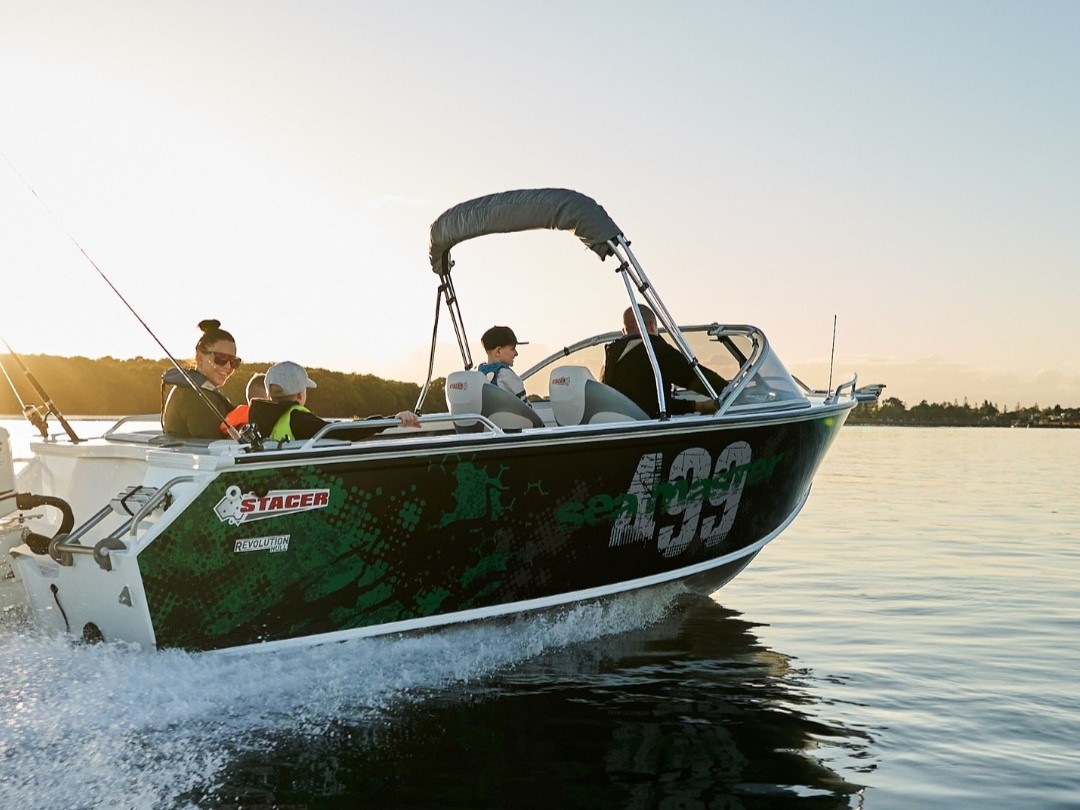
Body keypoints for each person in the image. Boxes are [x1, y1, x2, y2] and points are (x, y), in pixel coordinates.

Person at [601, 305, 728, 418]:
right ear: (652, 326)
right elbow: (697, 378)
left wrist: (699, 406)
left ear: (624, 331)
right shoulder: (656, 351)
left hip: (622, 426)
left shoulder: (609, 359)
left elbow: (654, 403)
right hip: (649, 430)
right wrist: (729, 393)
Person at [249, 361, 421, 442]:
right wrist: (392, 420)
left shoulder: (261, 419)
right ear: (300, 395)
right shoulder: (298, 420)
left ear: (269, 395)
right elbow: (345, 431)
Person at [161, 319, 240, 438]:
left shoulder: (205, 392)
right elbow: (212, 445)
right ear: (200, 358)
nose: (228, 366)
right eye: (221, 358)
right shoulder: (196, 396)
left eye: (233, 361)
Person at [478, 325, 529, 402]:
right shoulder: (506, 375)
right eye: (513, 349)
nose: (516, 353)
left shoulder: (480, 374)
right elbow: (525, 406)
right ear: (498, 351)